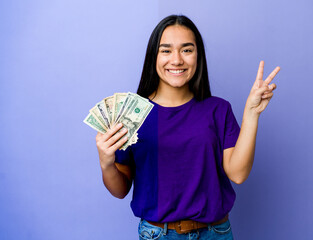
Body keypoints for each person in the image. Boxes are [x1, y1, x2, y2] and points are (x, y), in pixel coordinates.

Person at [95, 15, 280, 240]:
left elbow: (238, 174)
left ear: (198, 56)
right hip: (157, 235)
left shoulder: (218, 110)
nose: (176, 60)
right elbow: (120, 190)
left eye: (186, 50)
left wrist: (252, 113)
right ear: (153, 56)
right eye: (166, 50)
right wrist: (106, 164)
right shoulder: (131, 114)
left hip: (216, 233)